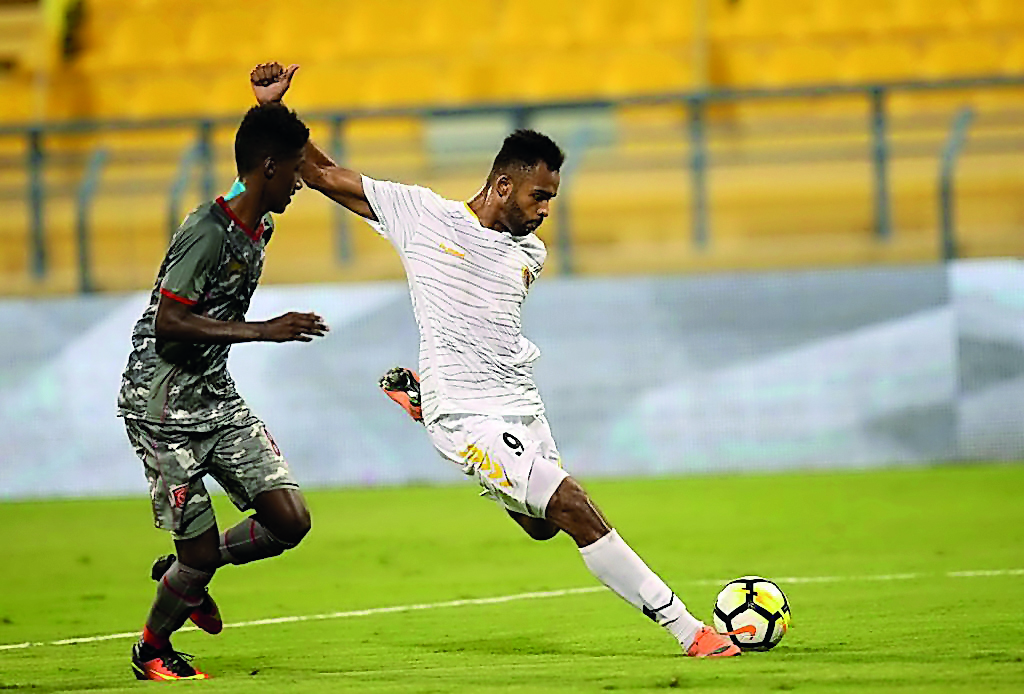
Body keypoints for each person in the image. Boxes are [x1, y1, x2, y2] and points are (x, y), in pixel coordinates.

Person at [251, 62, 740, 659]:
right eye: (539, 195)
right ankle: (690, 632)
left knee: (542, 524)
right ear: (503, 186)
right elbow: (322, 174)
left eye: (553, 198)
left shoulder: (529, 253)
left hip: (520, 401)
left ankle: (423, 401)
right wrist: (273, 110)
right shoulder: (423, 216)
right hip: (467, 415)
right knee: (573, 504)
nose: (544, 210)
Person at [117, 101, 330, 680]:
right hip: (161, 406)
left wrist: (271, 108)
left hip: (215, 397)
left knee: (290, 520)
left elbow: (273, 154)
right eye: (292, 171)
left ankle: (183, 571)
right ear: (268, 168)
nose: (298, 182)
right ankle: (152, 648)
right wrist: (263, 330)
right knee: (201, 556)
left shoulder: (258, 222)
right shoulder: (206, 233)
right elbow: (168, 321)